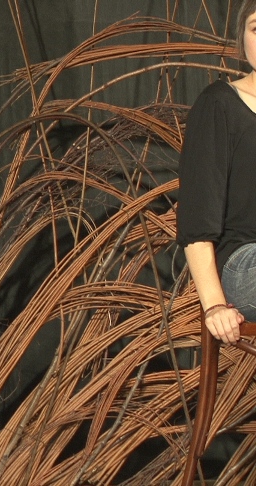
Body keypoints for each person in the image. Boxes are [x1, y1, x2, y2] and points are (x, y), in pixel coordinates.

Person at [177, 0, 256, 345]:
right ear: (242, 39)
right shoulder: (219, 103)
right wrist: (213, 305)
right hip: (245, 263)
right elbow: (197, 214)